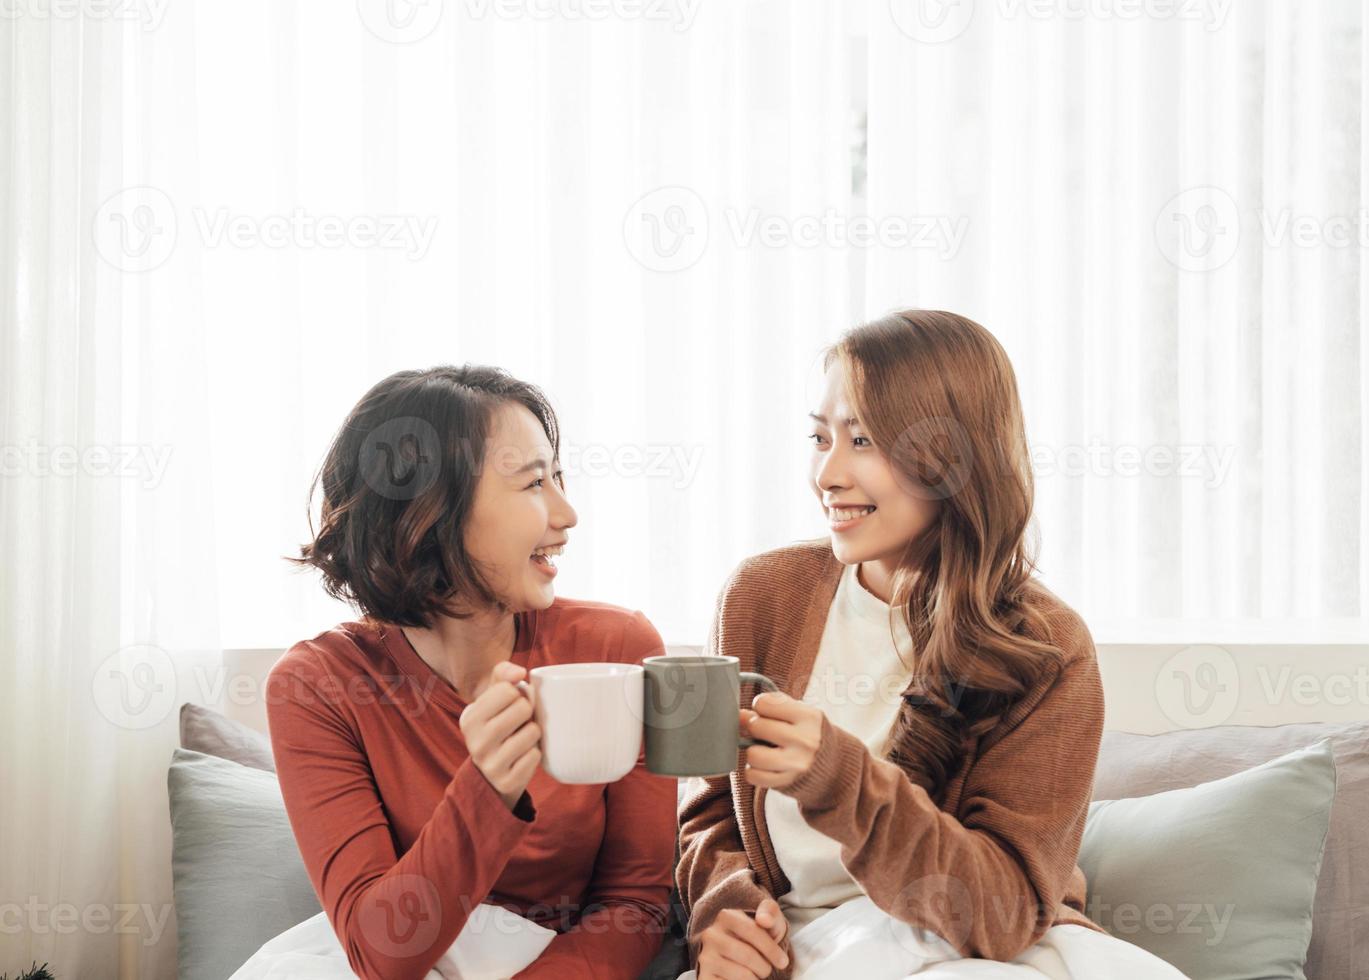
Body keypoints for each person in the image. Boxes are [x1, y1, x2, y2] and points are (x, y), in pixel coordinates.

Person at [676, 311, 1188, 980]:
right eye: (819, 436)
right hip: (808, 953)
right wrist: (724, 910)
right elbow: (711, 809)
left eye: (863, 440)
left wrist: (839, 777)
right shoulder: (761, 597)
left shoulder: (1044, 646)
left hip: (963, 950)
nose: (827, 474)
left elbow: (1002, 914)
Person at [261, 365, 674, 979]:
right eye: (535, 483)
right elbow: (381, 955)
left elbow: (635, 902)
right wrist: (487, 792)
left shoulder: (616, 648)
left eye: (558, 478)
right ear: (429, 511)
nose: (568, 515)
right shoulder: (317, 685)